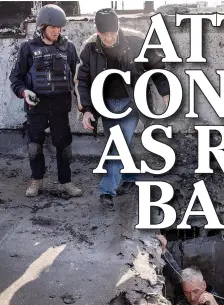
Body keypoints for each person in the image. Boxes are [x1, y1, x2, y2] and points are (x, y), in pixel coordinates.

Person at [76, 8, 170, 209]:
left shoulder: (136, 41)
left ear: (118, 29)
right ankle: (129, 176)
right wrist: (86, 110)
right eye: (104, 34)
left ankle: (106, 190)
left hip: (131, 102)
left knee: (117, 145)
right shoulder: (89, 47)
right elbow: (82, 80)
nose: (109, 38)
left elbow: (157, 67)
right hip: (106, 104)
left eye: (112, 33)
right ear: (97, 32)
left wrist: (166, 94)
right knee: (117, 144)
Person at [10, 4, 82, 198]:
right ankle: (37, 180)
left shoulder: (69, 48)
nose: (57, 31)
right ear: (42, 27)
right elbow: (15, 78)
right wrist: (24, 92)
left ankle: (65, 182)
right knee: (34, 144)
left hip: (60, 105)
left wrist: (84, 105)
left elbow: (77, 79)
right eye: (53, 28)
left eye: (59, 28)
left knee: (64, 145)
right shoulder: (28, 48)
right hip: (37, 105)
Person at [157, 235, 224, 305]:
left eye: (196, 291)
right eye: (187, 293)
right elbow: (172, 269)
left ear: (204, 285)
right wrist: (163, 249)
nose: (192, 297)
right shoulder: (183, 284)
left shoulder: (212, 302)